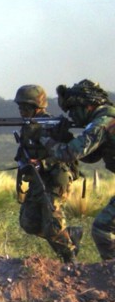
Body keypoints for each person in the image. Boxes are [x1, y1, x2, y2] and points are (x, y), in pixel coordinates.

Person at [43, 79, 115, 261]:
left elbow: (71, 153)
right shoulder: (106, 119)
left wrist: (47, 141)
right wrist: (65, 137)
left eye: (73, 110)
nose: (72, 117)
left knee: (103, 229)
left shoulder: (102, 122)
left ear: (87, 106)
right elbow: (91, 156)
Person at [12, 85, 83, 263]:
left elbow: (66, 154)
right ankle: (69, 235)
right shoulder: (28, 126)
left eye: (26, 107)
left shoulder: (53, 126)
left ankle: (69, 259)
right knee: (29, 222)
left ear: (38, 107)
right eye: (20, 107)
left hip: (56, 178)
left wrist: (43, 162)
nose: (22, 111)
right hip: (38, 179)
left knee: (52, 224)